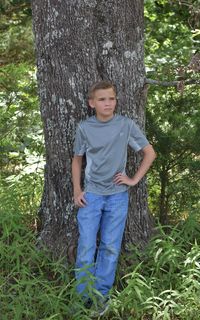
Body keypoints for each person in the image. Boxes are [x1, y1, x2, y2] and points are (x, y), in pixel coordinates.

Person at [72, 80, 156, 315]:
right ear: (92, 103)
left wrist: (133, 179)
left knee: (110, 247)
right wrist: (77, 190)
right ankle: (83, 298)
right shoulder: (84, 128)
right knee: (86, 247)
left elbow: (149, 153)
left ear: (116, 101)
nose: (107, 103)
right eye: (102, 99)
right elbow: (77, 159)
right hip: (91, 197)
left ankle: (101, 296)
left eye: (111, 98)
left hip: (118, 197)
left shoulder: (126, 125)